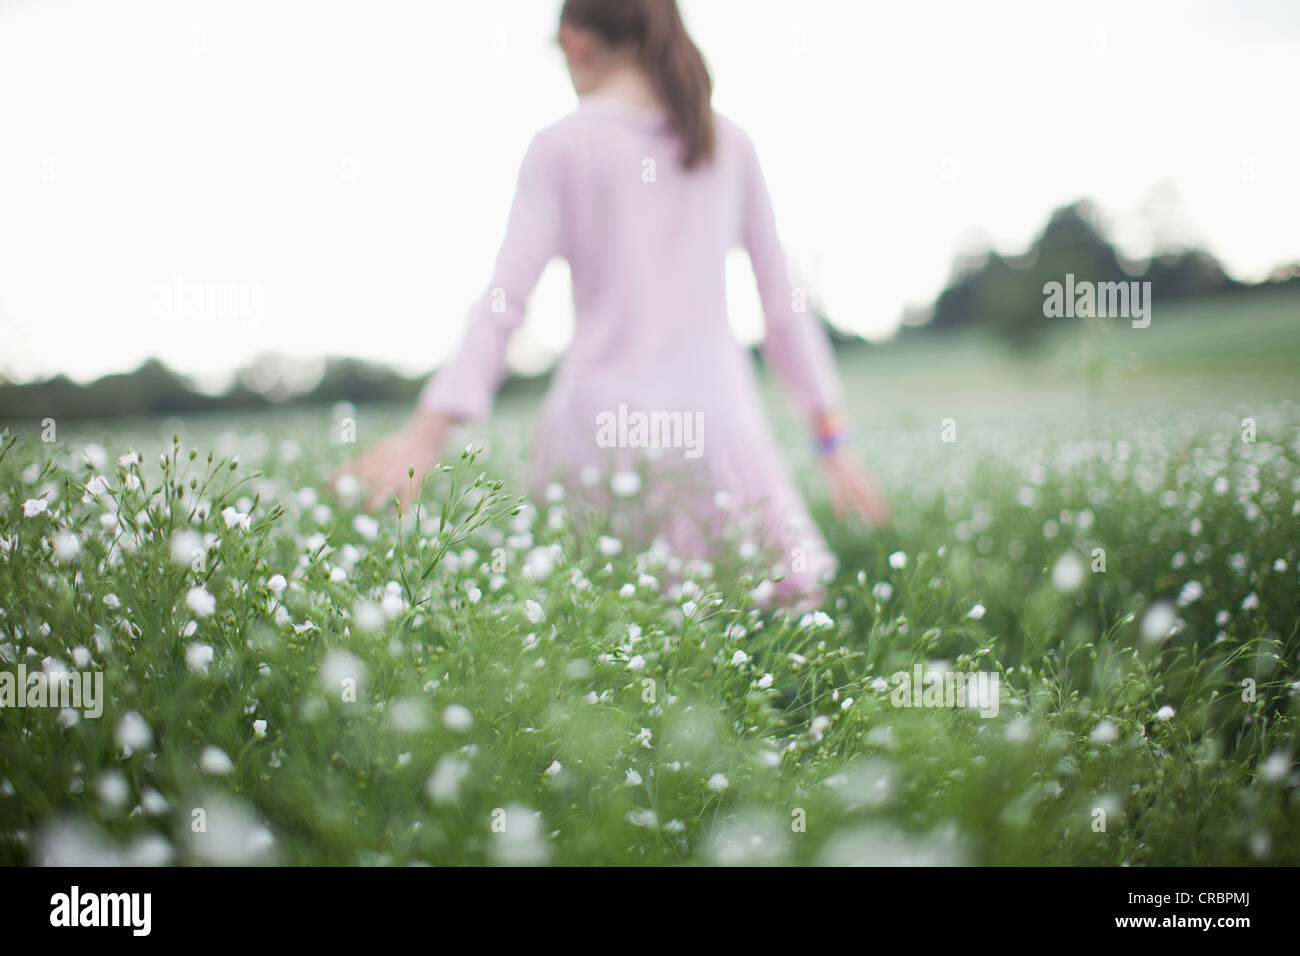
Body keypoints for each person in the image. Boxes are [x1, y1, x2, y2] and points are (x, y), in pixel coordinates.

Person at [343, 0, 889, 606]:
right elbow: (784, 306)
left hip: (597, 434)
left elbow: (504, 301)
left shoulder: (561, 145)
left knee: (604, 653)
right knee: (757, 639)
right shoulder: (727, 143)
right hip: (714, 431)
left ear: (575, 42)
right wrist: (832, 442)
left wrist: (427, 433)